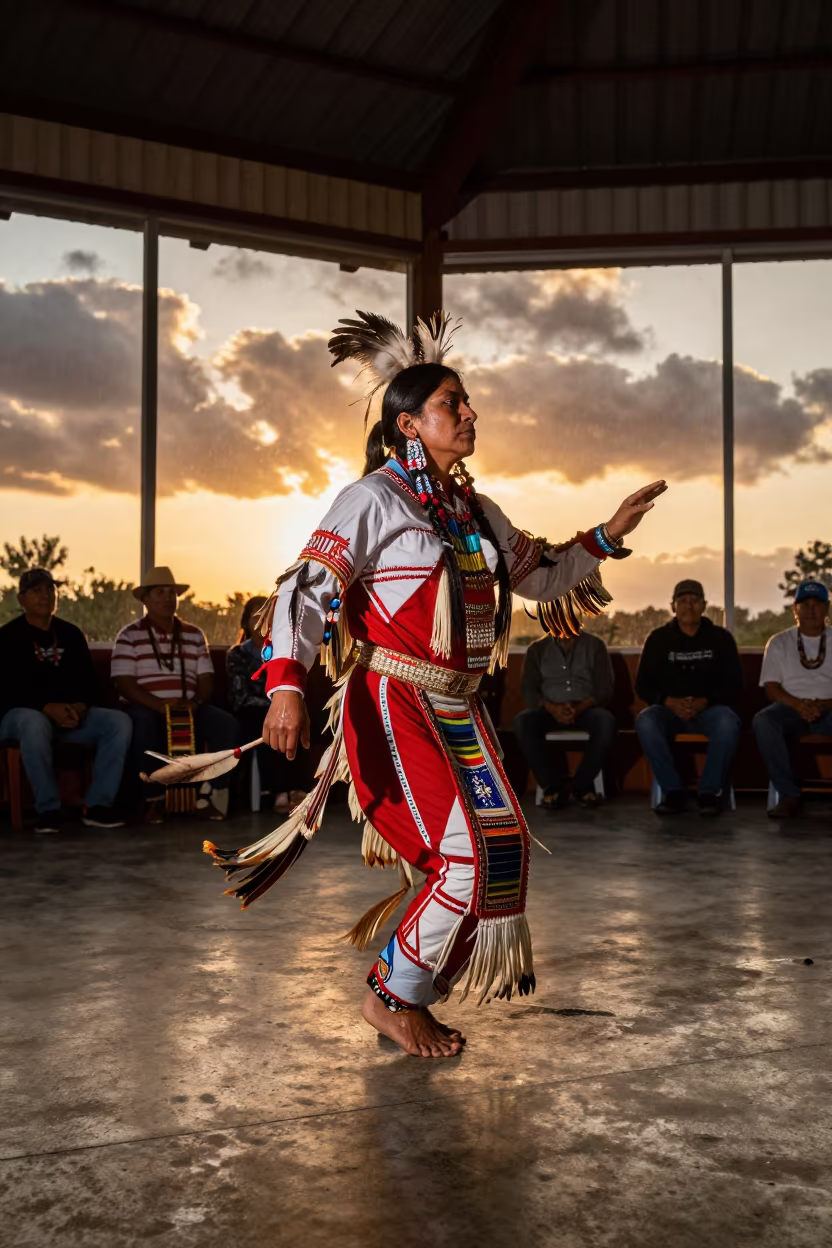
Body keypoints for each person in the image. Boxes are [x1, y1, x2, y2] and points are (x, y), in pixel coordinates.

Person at [195, 310, 665, 1060]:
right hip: (393, 701)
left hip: (461, 707)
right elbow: (307, 591)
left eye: (466, 400)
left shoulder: (474, 511)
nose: (470, 412)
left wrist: (607, 533)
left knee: (500, 849)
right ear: (409, 425)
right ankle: (392, 997)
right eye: (454, 403)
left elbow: (540, 575)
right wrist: (284, 684)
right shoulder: (372, 499)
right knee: (465, 858)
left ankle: (415, 980)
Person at [0, 567, 132, 833]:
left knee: (118, 722)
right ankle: (48, 810)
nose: (45, 595)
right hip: (20, 717)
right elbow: (6, 690)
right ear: (21, 599)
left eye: (50, 589)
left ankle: (98, 807)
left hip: (72, 716)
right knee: (33, 721)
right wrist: (47, 709)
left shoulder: (71, 634)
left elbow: (90, 686)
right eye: (36, 590)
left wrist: (81, 708)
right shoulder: (7, 637)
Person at [110, 567, 239, 823]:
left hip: (188, 707)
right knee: (142, 724)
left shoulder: (193, 634)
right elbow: (123, 683)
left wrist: (196, 703)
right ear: (145, 600)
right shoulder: (129, 635)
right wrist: (159, 706)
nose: (168, 598)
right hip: (146, 708)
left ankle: (208, 798)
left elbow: (205, 678)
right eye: (160, 592)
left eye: (172, 593)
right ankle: (153, 801)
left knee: (227, 725)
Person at [635, 579, 743, 816]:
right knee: (645, 720)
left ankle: (709, 793)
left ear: (704, 605)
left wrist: (705, 701)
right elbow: (643, 685)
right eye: (682, 601)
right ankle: (673, 792)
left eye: (694, 601)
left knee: (728, 722)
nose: (689, 606)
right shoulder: (658, 639)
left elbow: (734, 684)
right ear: (673, 606)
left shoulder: (721, 639)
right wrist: (668, 701)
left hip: (710, 711)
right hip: (669, 711)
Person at [513, 625, 616, 810]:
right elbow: (528, 691)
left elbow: (605, 689)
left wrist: (579, 708)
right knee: (523, 722)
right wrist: (553, 708)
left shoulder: (595, 646)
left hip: (586, 709)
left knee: (606, 722)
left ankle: (582, 785)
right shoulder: (537, 649)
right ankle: (553, 788)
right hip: (548, 710)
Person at [753, 579, 832, 818]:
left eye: (817, 604)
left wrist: (822, 705)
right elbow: (771, 688)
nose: (810, 609)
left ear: (827, 609)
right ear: (794, 610)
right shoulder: (779, 642)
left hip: (830, 708)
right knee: (764, 721)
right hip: (791, 709)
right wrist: (799, 705)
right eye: (804, 604)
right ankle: (789, 795)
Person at [226, 596, 307, 813]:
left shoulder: (284, 653)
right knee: (266, 724)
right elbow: (239, 695)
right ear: (246, 622)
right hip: (249, 710)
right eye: (256, 615)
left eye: (268, 614)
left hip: (279, 707)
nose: (262, 619)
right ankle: (278, 792)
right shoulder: (237, 654)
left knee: (294, 719)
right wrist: (275, 705)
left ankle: (298, 789)